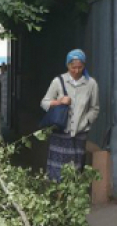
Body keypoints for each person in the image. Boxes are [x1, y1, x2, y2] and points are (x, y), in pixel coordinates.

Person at [40, 49, 99, 182]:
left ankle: (72, 198)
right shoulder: (58, 81)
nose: (76, 71)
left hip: (79, 134)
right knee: (57, 172)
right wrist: (59, 101)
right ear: (68, 66)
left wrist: (87, 122)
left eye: (80, 67)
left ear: (84, 66)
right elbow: (44, 103)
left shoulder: (91, 84)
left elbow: (95, 108)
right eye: (73, 67)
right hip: (60, 132)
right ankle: (58, 197)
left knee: (76, 171)